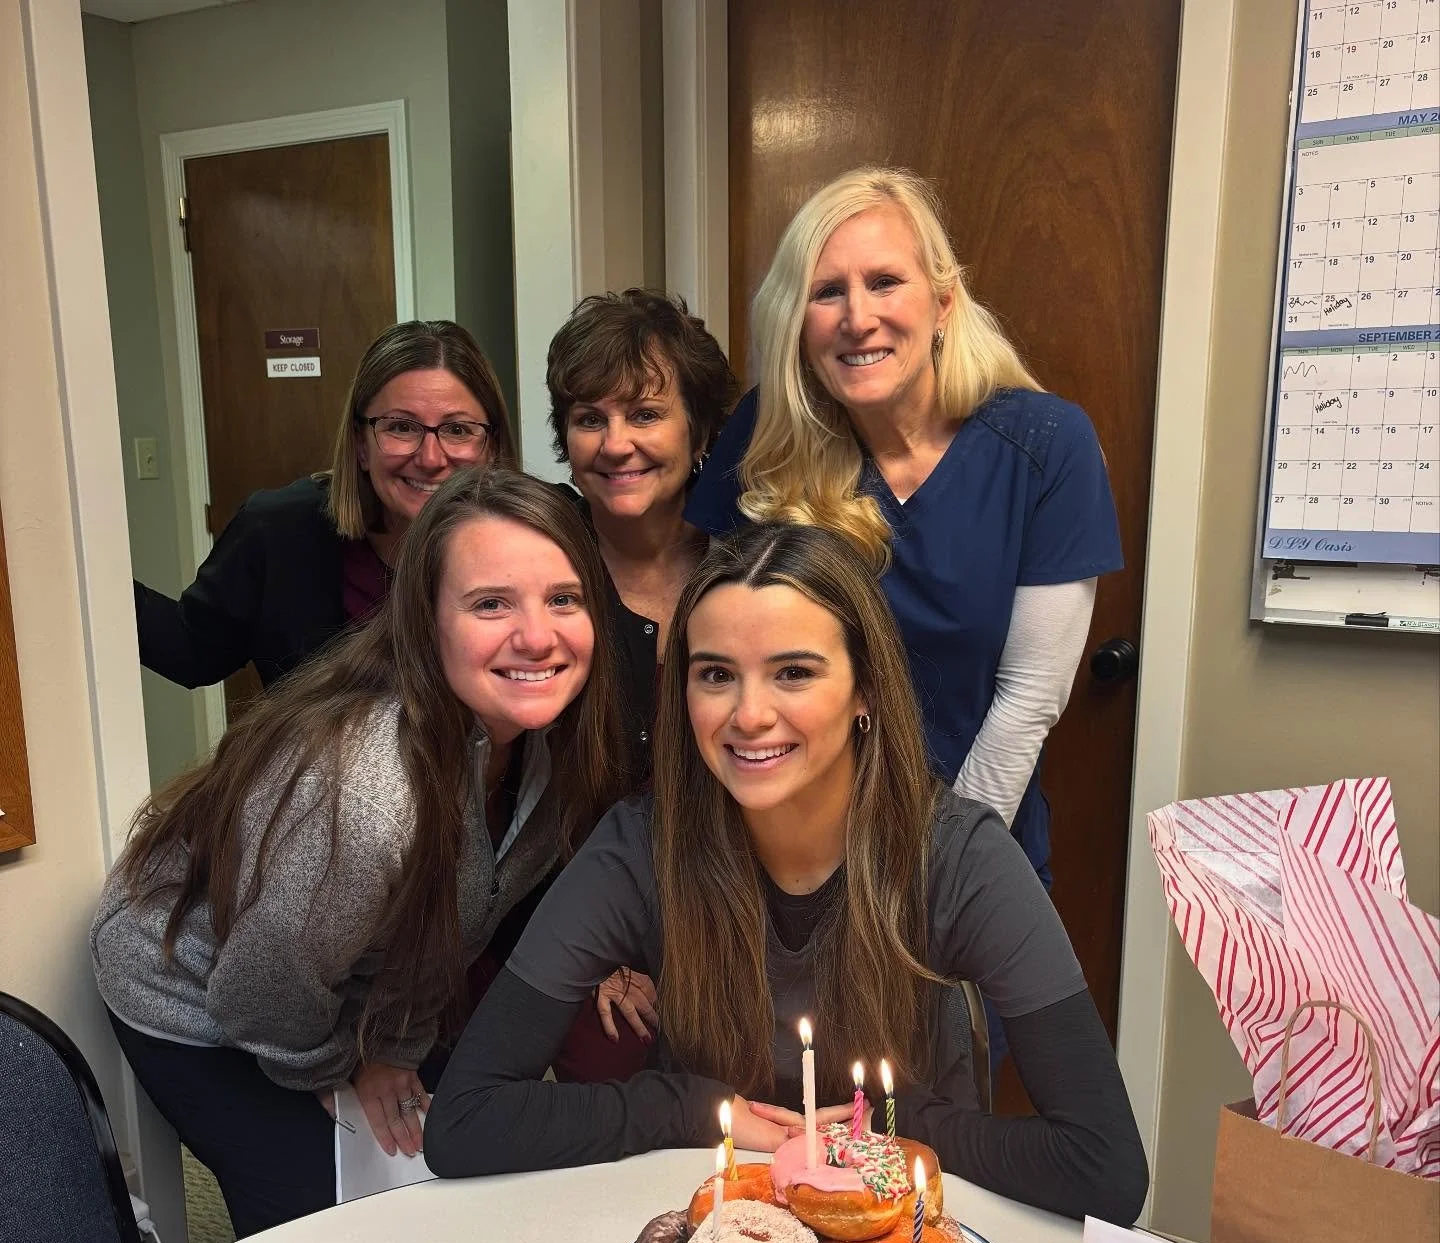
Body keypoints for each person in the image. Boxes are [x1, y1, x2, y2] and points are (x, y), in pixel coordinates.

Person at [424, 525, 1149, 1226]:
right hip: (713, 1218)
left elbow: (1104, 1166)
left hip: (900, 1217)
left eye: (793, 672)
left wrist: (889, 1127)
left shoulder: (960, 858)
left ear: (865, 689)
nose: (749, 714)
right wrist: (679, 1106)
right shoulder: (640, 848)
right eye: (716, 674)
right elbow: (465, 1118)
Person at [94, 467, 627, 1237]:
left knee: (447, 1155)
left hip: (341, 974)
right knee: (320, 1233)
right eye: (490, 604)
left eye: (563, 598)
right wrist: (340, 1067)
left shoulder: (552, 741)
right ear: (426, 618)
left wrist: (394, 1048)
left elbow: (450, 920)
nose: (538, 635)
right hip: (196, 984)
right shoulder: (368, 793)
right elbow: (259, 989)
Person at [684, 169, 1122, 892]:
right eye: (827, 292)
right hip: (785, 866)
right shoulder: (765, 434)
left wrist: (933, 875)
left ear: (944, 302)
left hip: (967, 860)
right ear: (797, 318)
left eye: (885, 282)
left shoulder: (1045, 444)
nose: (858, 317)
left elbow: (1029, 699)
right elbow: (719, 657)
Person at [135, 320, 516, 690]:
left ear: (492, 447)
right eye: (401, 427)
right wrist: (81, 577)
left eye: (457, 430)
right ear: (360, 444)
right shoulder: (279, 531)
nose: (431, 458)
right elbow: (191, 651)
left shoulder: (534, 535)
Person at [546, 288, 738, 781]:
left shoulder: (750, 561)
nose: (615, 445)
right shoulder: (538, 560)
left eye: (645, 415)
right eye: (590, 419)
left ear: (699, 433)